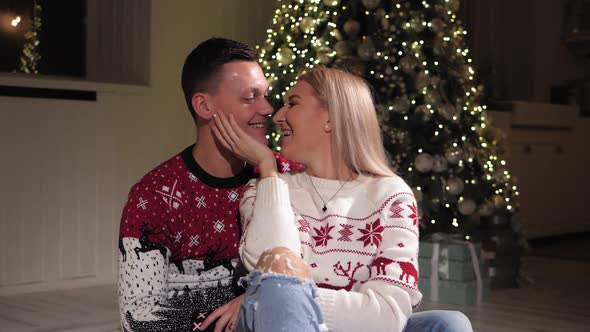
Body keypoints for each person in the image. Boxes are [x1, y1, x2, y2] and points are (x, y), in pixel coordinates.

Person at [209, 67, 473, 331]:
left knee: (450, 324)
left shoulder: (392, 195)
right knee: (278, 261)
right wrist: (267, 167)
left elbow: (388, 317)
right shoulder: (264, 190)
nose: (278, 116)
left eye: (293, 103)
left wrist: (289, 297)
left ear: (331, 118)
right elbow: (267, 267)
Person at [117, 37, 274, 332]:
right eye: (250, 97)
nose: (267, 108)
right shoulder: (153, 195)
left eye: (265, 95)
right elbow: (137, 317)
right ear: (204, 105)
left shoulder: (280, 175)